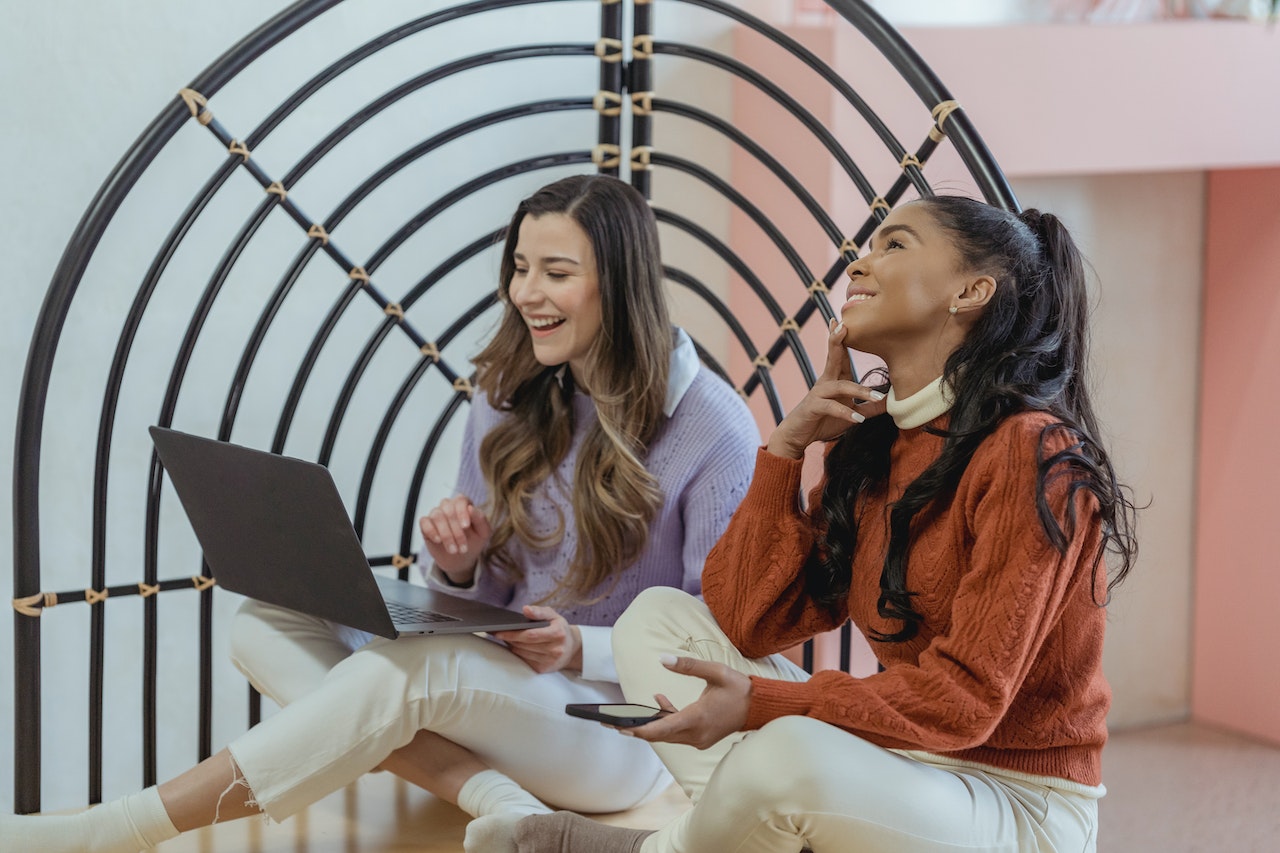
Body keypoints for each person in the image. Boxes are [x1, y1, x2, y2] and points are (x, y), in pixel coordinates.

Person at [4, 174, 761, 853]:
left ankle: (119, 829)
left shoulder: (713, 429)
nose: (527, 292)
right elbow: (492, 602)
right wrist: (459, 563)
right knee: (262, 620)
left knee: (412, 669)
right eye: (520, 267)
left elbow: (718, 641)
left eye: (556, 273)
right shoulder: (508, 396)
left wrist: (580, 651)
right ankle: (492, 795)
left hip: (625, 728)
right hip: (507, 692)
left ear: (620, 287)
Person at [502, 196, 1140, 853]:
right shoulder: (877, 442)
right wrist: (784, 449)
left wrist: (763, 703)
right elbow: (749, 617)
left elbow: (965, 700)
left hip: (1017, 804)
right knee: (654, 620)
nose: (861, 263)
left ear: (971, 291)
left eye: (895, 245)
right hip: (904, 764)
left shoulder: (1033, 452)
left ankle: (652, 849)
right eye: (869, 246)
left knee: (787, 748)